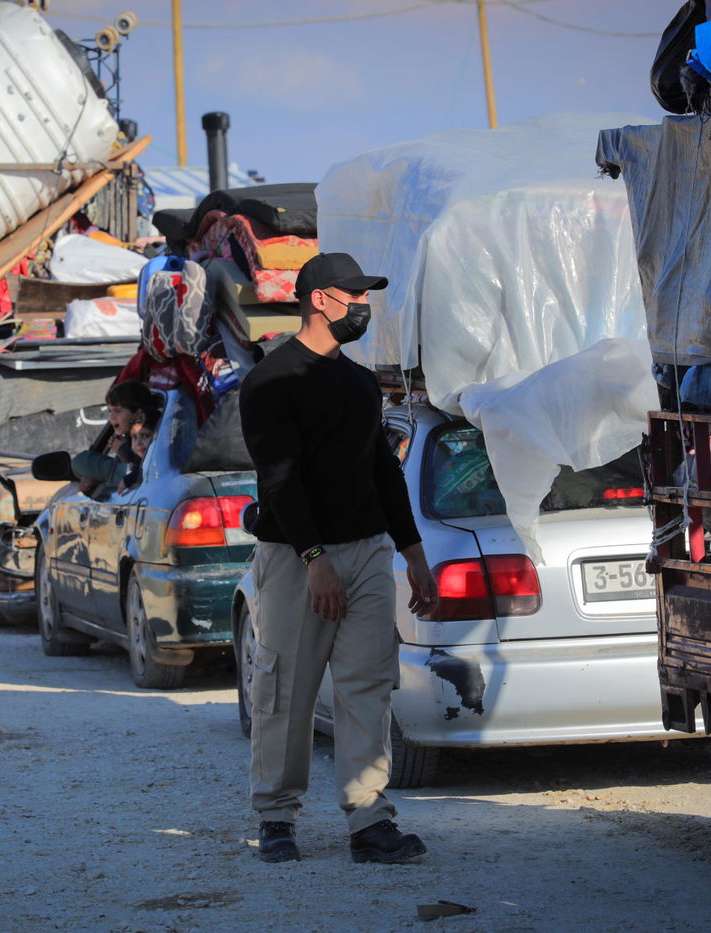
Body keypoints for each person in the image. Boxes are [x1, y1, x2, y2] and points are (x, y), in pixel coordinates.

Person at [238, 252, 438, 865]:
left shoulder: (359, 382)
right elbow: (279, 479)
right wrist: (315, 558)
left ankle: (369, 821)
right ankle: (277, 818)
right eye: (355, 296)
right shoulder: (271, 381)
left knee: (367, 687)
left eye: (367, 297)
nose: (364, 307)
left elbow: (383, 472)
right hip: (296, 559)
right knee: (286, 690)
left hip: (368, 552)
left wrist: (414, 554)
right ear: (320, 300)